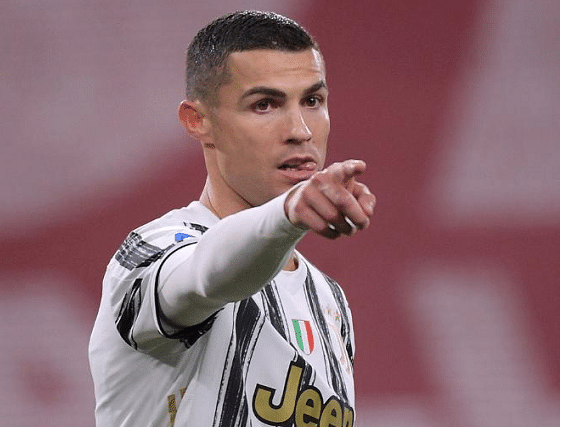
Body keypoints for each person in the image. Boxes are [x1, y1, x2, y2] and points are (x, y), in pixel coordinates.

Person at [89, 10, 376, 427]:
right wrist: (286, 213)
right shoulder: (150, 252)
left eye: (312, 101)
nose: (300, 130)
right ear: (198, 120)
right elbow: (204, 279)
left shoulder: (329, 301)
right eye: (264, 105)